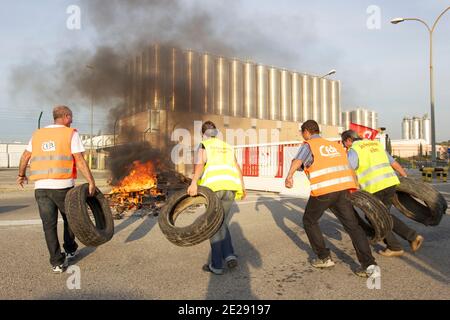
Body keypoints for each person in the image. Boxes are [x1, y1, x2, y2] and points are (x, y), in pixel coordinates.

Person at [285, 120, 378, 277]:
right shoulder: (335, 146)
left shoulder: (309, 145)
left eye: (302, 133)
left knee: (309, 220)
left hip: (324, 190)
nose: (303, 136)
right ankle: (370, 265)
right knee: (353, 227)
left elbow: (298, 161)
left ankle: (324, 257)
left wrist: (289, 176)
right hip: (342, 189)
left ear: (307, 131)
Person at [17, 105, 96, 273]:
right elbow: (80, 160)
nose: (72, 120)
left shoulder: (38, 134)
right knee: (70, 219)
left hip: (41, 188)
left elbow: (25, 156)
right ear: (66, 116)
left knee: (48, 225)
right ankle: (70, 249)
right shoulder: (70, 133)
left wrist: (21, 174)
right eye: (71, 117)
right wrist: (91, 181)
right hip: (62, 186)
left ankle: (56, 262)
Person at [341, 130, 424, 257]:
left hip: (375, 187)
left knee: (375, 217)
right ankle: (412, 237)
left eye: (344, 143)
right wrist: (405, 178)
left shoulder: (354, 149)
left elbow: (349, 169)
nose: (344, 146)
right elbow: (394, 163)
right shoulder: (375, 145)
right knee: (385, 215)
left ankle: (395, 246)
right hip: (390, 184)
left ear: (348, 140)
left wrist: (353, 187)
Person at [187, 121, 246, 275]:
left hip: (214, 189)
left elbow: (200, 165)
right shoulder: (226, 146)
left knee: (213, 225)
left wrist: (193, 183)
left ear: (203, 133)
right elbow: (237, 167)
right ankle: (229, 255)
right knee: (222, 222)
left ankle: (216, 265)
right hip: (230, 188)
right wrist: (243, 187)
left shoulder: (204, 145)